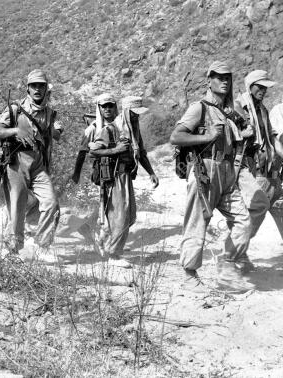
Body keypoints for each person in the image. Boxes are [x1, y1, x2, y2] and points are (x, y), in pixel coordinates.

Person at [169, 61, 254, 292]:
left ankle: (227, 267)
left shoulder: (227, 112)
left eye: (227, 77)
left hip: (227, 171)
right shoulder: (200, 108)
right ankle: (189, 274)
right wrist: (206, 138)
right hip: (205, 170)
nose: (224, 81)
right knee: (197, 223)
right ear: (209, 80)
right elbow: (176, 137)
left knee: (243, 221)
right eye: (218, 77)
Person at [223, 70, 283, 272]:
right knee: (249, 223)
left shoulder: (263, 111)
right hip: (255, 175)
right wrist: (243, 134)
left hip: (273, 178)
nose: (263, 91)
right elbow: (227, 137)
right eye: (259, 87)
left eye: (265, 87)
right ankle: (230, 256)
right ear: (250, 85)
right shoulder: (237, 108)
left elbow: (272, 141)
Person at [0, 69, 62, 261]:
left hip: (38, 163)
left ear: (46, 89)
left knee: (51, 203)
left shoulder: (49, 112)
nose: (37, 89)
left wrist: (47, 162)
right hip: (17, 161)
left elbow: (48, 139)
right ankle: (14, 249)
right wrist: (16, 130)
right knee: (17, 206)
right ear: (28, 89)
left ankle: (42, 246)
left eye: (41, 85)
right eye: (34, 86)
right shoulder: (16, 109)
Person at [89, 95, 159, 268]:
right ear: (127, 112)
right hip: (114, 178)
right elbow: (94, 152)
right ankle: (114, 254)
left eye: (138, 114)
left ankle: (103, 240)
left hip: (126, 177)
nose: (137, 117)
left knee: (128, 215)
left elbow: (141, 153)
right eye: (134, 114)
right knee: (120, 216)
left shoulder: (134, 130)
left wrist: (151, 172)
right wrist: (115, 150)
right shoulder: (111, 129)